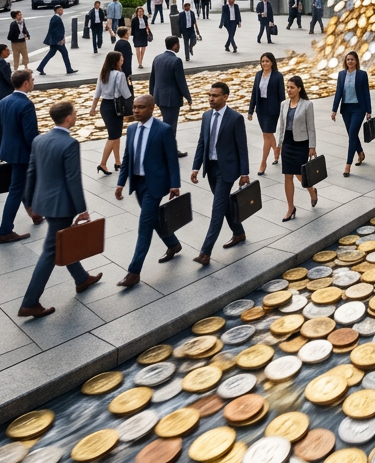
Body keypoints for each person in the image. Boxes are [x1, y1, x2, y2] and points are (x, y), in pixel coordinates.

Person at [16, 101, 101, 317]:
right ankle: (30, 302)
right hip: (62, 206)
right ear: (69, 118)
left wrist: (29, 202)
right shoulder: (70, 144)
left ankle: (82, 279)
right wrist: (82, 209)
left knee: (62, 242)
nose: (76, 115)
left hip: (44, 201)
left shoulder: (39, 140)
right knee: (50, 251)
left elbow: (31, 172)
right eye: (75, 113)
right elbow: (73, 178)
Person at [114, 94, 182, 288]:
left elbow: (172, 160)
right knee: (152, 220)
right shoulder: (132, 129)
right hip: (138, 184)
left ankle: (134, 271)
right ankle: (173, 244)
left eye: (141, 107)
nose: (135, 111)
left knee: (144, 225)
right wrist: (121, 183)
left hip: (156, 185)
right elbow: (127, 158)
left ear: (152, 108)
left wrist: (174, 184)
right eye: (134, 107)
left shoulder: (164, 130)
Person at [190, 81, 251, 266]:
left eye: (215, 96)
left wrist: (244, 173)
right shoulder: (206, 116)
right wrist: (195, 167)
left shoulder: (235, 118)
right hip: (211, 169)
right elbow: (202, 142)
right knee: (224, 205)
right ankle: (239, 233)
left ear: (225, 97)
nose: (211, 99)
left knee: (217, 210)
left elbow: (242, 147)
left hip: (227, 171)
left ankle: (205, 252)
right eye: (209, 95)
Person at [0, 70, 40, 244]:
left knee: (19, 184)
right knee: (16, 189)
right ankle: (5, 230)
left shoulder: (3, 101)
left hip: (8, 151)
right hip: (22, 154)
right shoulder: (26, 105)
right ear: (26, 83)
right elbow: (30, 135)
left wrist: (0, 149)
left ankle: (34, 213)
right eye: (32, 79)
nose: (33, 81)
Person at [275, 75, 318, 220]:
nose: (289, 90)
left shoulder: (307, 105)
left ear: (299, 89)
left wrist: (312, 146)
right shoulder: (283, 104)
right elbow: (281, 125)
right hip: (287, 142)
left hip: (301, 143)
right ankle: (290, 208)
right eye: (287, 87)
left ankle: (312, 191)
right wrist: (278, 145)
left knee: (300, 174)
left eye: (292, 87)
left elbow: (311, 127)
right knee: (288, 175)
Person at [149, 35, 192, 158]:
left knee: (167, 123)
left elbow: (152, 79)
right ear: (175, 45)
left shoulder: (157, 58)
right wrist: (188, 97)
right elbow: (181, 81)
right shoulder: (176, 61)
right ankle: (169, 150)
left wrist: (152, 95)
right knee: (170, 126)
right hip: (171, 99)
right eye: (178, 44)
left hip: (159, 97)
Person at [90, 51, 132, 176]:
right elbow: (125, 93)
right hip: (116, 107)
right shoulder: (119, 75)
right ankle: (103, 163)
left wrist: (93, 108)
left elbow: (97, 93)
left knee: (115, 134)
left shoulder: (103, 74)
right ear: (116, 61)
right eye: (121, 59)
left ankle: (118, 162)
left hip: (105, 106)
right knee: (113, 136)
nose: (123, 60)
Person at [331, 51, 371, 178]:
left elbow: (366, 93)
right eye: (348, 59)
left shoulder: (362, 75)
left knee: (352, 135)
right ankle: (360, 153)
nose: (350, 61)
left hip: (358, 109)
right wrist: (334, 109)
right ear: (345, 61)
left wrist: (368, 110)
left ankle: (348, 165)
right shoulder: (341, 74)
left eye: (352, 59)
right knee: (352, 134)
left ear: (356, 61)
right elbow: (338, 92)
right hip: (346, 109)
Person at [248, 51, 284, 175]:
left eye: (267, 61)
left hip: (272, 109)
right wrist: (250, 110)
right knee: (267, 135)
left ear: (272, 62)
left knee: (267, 135)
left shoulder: (278, 76)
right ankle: (276, 151)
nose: (264, 63)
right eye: (263, 61)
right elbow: (254, 93)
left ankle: (263, 163)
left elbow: (281, 95)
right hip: (261, 109)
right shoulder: (258, 75)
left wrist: (284, 111)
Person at [37, 6, 77, 76]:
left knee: (50, 54)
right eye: (60, 10)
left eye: (62, 10)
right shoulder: (55, 18)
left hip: (55, 41)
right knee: (65, 54)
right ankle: (69, 69)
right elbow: (54, 30)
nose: (62, 11)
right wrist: (61, 39)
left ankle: (40, 67)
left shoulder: (56, 18)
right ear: (57, 10)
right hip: (57, 41)